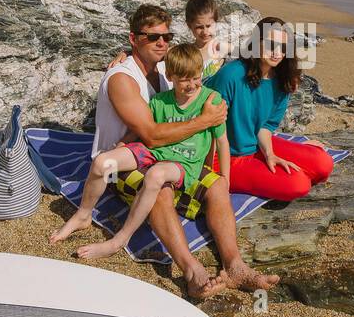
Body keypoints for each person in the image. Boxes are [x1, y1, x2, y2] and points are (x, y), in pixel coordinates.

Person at [52, 4, 277, 296]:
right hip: (133, 159)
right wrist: (204, 120)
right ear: (134, 39)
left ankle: (234, 265)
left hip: (175, 152)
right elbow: (150, 136)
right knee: (160, 188)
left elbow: (194, 71)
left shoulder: (163, 66)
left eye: (166, 37)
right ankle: (191, 269)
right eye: (152, 38)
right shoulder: (123, 78)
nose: (162, 43)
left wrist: (214, 107)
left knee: (218, 184)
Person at [57, 44, 230, 261]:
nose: (192, 84)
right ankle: (83, 215)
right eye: (184, 79)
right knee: (103, 162)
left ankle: (120, 240)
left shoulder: (211, 100)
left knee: (155, 175)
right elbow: (139, 132)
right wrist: (121, 145)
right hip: (154, 151)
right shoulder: (159, 101)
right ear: (170, 76)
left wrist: (225, 180)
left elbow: (222, 142)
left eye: (195, 77)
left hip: (184, 162)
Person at [206, 16, 334, 201]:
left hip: (256, 143)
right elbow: (209, 127)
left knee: (323, 163)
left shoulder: (283, 79)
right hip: (224, 156)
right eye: (271, 44)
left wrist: (270, 154)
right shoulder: (231, 75)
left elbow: (266, 126)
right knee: (299, 184)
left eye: (283, 47)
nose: (277, 52)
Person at [184, 0, 227, 78]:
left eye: (209, 26)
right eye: (199, 27)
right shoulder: (185, 53)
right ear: (189, 25)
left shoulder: (222, 49)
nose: (205, 32)